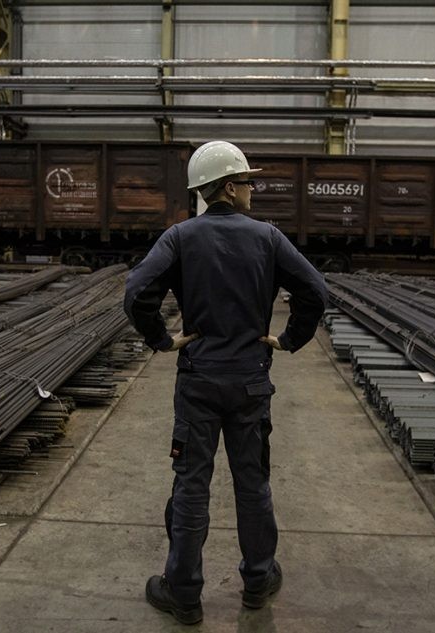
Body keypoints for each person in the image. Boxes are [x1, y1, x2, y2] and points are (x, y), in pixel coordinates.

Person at [123, 140, 327, 625]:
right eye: (248, 182)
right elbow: (315, 290)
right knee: (252, 483)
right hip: (250, 383)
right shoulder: (267, 238)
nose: (253, 190)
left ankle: (184, 594)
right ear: (229, 188)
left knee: (191, 486)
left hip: (198, 383)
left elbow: (137, 292)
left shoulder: (179, 238)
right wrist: (288, 339)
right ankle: (257, 580)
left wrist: (163, 340)